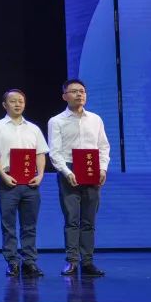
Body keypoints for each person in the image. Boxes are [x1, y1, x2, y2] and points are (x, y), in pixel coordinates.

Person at [48, 78, 110, 277]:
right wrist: (67, 172)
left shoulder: (95, 119)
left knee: (89, 220)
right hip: (69, 169)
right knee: (72, 219)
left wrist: (103, 169)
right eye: (74, 91)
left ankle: (88, 262)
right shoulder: (56, 121)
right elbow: (54, 152)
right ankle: (72, 261)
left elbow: (103, 147)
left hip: (92, 169)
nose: (79, 94)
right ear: (64, 96)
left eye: (82, 91)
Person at [0, 89, 49, 277]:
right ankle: (12, 261)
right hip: (8, 179)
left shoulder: (33, 128)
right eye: (13, 101)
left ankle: (30, 261)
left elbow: (40, 153)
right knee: (8, 224)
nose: (18, 104)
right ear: (5, 105)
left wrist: (40, 174)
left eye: (21, 101)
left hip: (31, 182)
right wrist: (3, 175)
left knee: (30, 225)